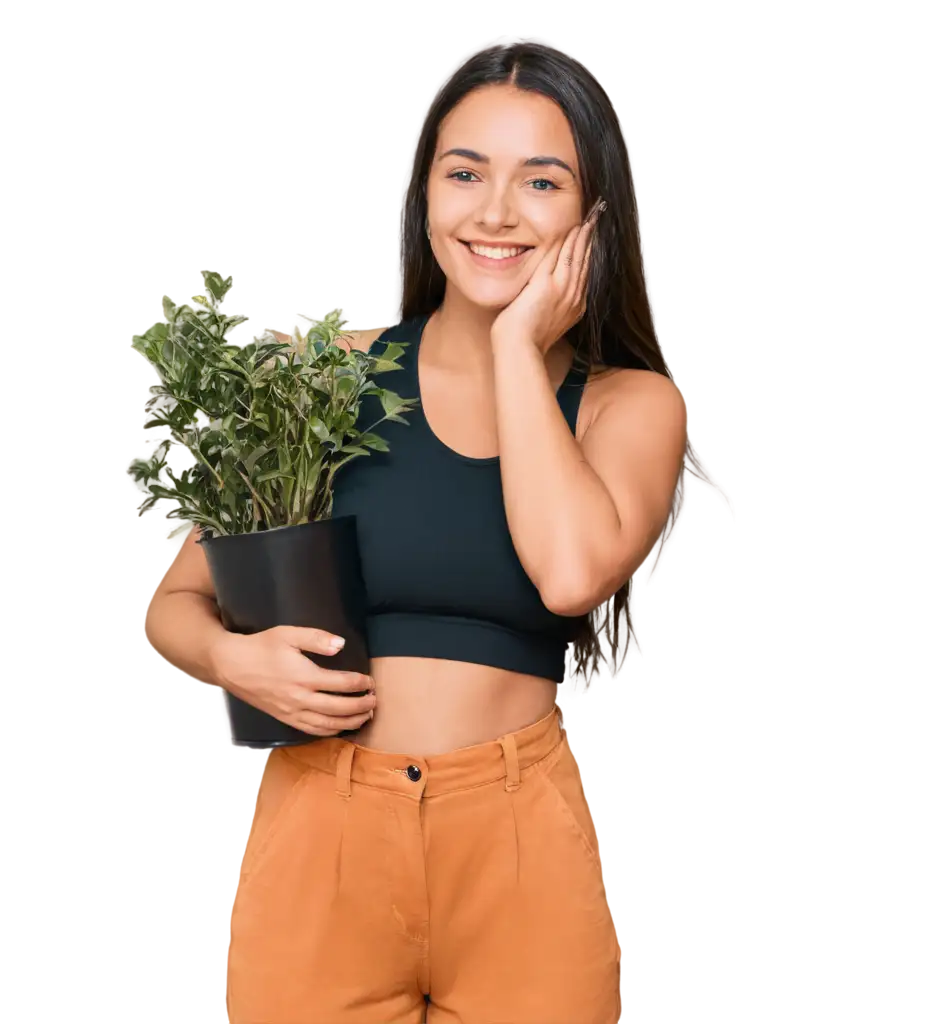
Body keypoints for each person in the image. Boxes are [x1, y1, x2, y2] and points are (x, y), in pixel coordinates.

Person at [143, 40, 687, 1024]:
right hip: (321, 824)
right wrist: (233, 660)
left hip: (516, 836)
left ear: (591, 217)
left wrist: (520, 346)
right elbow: (173, 599)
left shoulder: (625, 407)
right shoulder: (325, 375)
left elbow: (569, 576)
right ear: (423, 193)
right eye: (464, 171)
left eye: (542, 181)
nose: (494, 211)